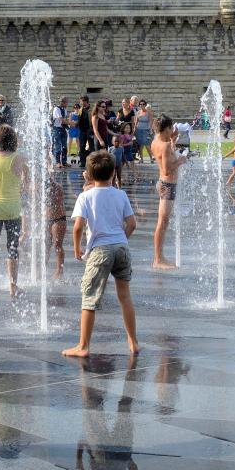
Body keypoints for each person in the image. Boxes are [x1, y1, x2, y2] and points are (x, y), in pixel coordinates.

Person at [62, 150, 139, 358]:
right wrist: (121, 239)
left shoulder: (85, 196)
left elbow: (78, 227)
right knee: (125, 296)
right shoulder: (121, 194)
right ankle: (133, 342)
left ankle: (83, 346)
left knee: (89, 298)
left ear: (88, 174)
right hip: (121, 247)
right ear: (114, 173)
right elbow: (132, 224)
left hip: (100, 250)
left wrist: (77, 248)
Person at [0, 124, 26, 301]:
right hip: (12, 208)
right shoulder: (20, 158)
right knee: (12, 249)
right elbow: (26, 183)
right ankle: (13, 287)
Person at [149, 116, 187, 269]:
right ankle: (158, 259)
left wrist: (172, 141)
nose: (172, 131)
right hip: (167, 185)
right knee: (162, 222)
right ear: (166, 129)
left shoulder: (156, 142)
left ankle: (160, 257)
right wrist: (181, 160)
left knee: (164, 221)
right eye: (171, 128)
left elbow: (167, 156)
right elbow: (166, 169)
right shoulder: (163, 145)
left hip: (165, 184)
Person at [52, 97, 69, 168]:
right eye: (66, 102)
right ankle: (58, 162)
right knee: (58, 147)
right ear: (62, 102)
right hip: (57, 129)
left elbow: (65, 119)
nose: (67, 104)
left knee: (65, 146)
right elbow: (61, 120)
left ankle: (64, 162)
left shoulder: (64, 109)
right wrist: (71, 123)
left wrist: (68, 121)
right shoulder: (57, 109)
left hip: (63, 129)